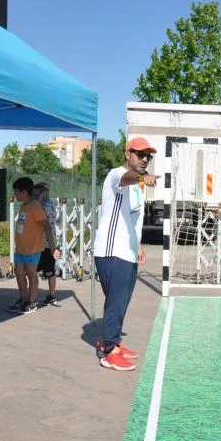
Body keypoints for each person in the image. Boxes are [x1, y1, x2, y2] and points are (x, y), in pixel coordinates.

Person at [93, 136, 157, 371]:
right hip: (111, 252)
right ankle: (108, 352)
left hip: (128, 251)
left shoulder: (138, 187)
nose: (144, 159)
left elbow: (133, 219)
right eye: (140, 154)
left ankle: (114, 341)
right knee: (115, 302)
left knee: (123, 302)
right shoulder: (116, 174)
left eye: (148, 156)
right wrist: (141, 176)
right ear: (127, 154)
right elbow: (127, 177)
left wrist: (138, 246)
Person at [9, 177, 52, 315]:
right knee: (19, 273)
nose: (15, 195)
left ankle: (32, 302)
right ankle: (23, 299)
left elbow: (47, 227)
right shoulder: (24, 206)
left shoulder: (36, 207)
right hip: (20, 249)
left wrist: (53, 247)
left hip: (33, 249)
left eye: (16, 192)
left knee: (32, 274)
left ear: (24, 192)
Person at [33, 182, 61, 307]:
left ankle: (51, 295)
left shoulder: (48, 205)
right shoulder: (40, 205)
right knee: (32, 270)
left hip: (48, 244)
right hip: (38, 243)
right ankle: (33, 295)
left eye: (37, 192)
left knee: (50, 271)